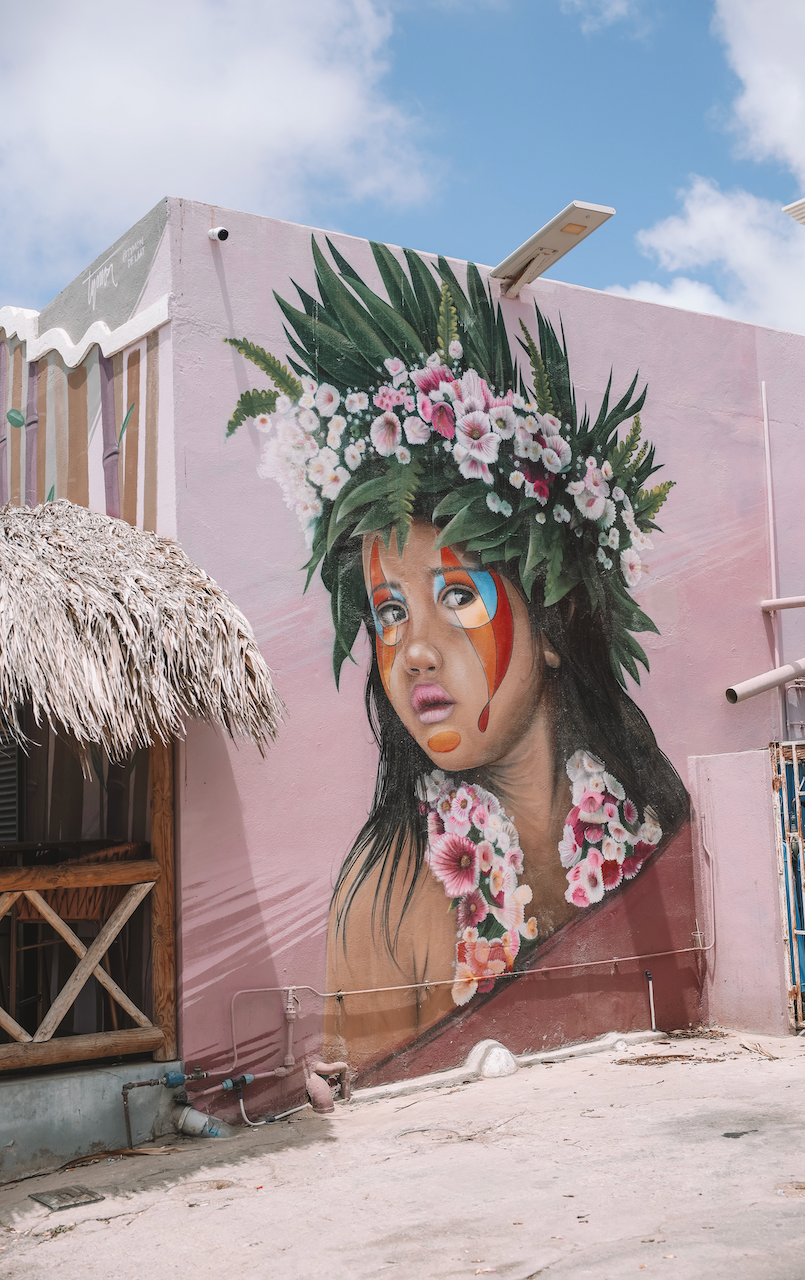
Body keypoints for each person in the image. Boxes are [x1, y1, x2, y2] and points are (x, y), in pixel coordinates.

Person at [227, 238, 689, 1072]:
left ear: (556, 624)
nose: (412, 654)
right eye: (391, 612)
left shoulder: (657, 825)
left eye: (459, 597)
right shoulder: (382, 900)